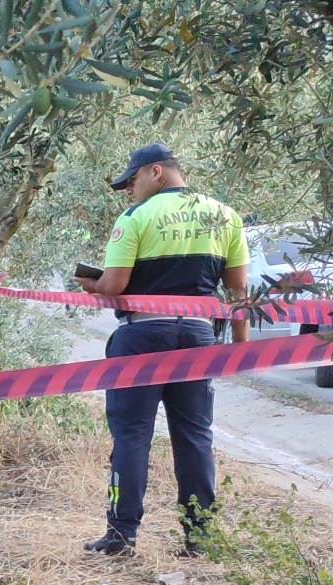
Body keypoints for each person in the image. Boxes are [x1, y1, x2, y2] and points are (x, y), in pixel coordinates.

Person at [74, 143, 249, 557]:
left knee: (132, 434)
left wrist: (91, 285)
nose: (129, 191)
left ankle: (121, 536)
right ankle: (199, 537)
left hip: (142, 335)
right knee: (194, 435)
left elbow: (114, 285)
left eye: (131, 181)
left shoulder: (136, 217)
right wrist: (241, 347)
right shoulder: (225, 215)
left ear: (156, 172)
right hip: (199, 336)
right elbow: (238, 291)